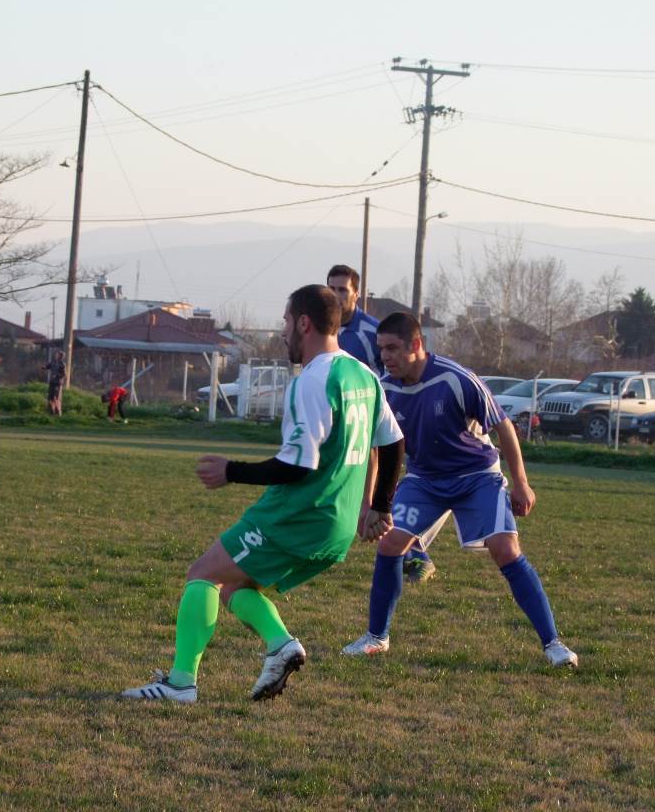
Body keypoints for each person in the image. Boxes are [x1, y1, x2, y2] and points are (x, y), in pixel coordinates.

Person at [121, 284, 405, 703]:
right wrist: (378, 506)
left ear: (304, 323)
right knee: (235, 586)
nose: (284, 330)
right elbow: (394, 441)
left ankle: (181, 683)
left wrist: (230, 471)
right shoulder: (362, 374)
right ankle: (279, 645)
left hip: (298, 513)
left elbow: (298, 465)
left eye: (287, 322)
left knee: (203, 574)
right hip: (339, 523)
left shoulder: (313, 380)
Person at [341, 312, 578, 669]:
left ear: (416, 345)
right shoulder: (384, 388)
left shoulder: (456, 378)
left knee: (506, 549)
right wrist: (370, 505)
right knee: (391, 545)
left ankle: (554, 644)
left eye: (392, 348)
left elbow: (503, 427)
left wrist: (521, 483)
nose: (385, 356)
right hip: (424, 480)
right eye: (381, 348)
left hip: (476, 477)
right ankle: (376, 638)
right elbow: (377, 450)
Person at [327, 263, 438, 586]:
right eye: (331, 289)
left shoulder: (371, 332)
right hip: (346, 421)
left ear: (356, 294)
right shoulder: (329, 331)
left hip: (380, 418)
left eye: (342, 290)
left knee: (379, 488)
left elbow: (395, 372)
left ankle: (415, 552)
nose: (336, 296)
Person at [44, 350, 66, 415]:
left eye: (57, 354)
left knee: (56, 398)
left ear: (60, 356)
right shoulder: (53, 362)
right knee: (50, 398)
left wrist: (57, 375)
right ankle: (51, 412)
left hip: (58, 384)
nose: (56, 355)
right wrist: (44, 367)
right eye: (56, 354)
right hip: (52, 382)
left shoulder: (62, 364)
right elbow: (48, 366)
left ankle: (58, 412)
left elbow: (64, 375)